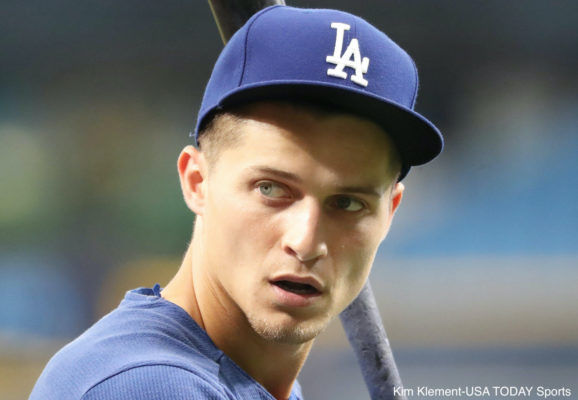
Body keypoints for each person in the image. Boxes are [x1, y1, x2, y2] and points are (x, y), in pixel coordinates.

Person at [30, 5, 442, 400]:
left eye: (348, 204)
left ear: (391, 212)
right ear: (196, 182)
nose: (305, 241)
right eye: (271, 189)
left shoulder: (240, 381)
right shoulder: (146, 386)